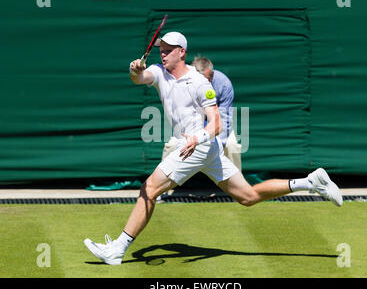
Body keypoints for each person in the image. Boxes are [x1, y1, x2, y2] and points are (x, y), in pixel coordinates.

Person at [84, 31, 343, 265]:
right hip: (205, 151)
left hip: (196, 146)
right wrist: (134, 69)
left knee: (149, 189)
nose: (163, 54)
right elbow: (139, 78)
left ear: (181, 52)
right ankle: (310, 182)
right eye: (160, 49)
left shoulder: (199, 83)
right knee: (248, 197)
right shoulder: (158, 72)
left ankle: (117, 249)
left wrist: (197, 138)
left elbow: (217, 123)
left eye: (168, 50)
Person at [162, 56, 241, 170]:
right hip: (191, 125)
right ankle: (163, 182)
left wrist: (217, 141)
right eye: (203, 79)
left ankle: (237, 185)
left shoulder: (224, 84)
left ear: (212, 73)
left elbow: (224, 118)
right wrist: (194, 137)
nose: (206, 83)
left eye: (209, 78)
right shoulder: (184, 84)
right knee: (172, 145)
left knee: (232, 145)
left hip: (217, 126)